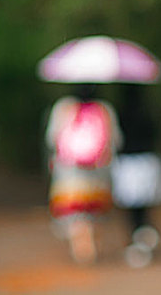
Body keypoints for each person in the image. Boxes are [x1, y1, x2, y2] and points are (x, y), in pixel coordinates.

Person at [45, 84, 122, 264]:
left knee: (74, 211)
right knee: (95, 209)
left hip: (69, 171)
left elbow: (52, 139)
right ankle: (92, 242)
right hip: (98, 170)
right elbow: (116, 140)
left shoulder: (62, 108)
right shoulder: (105, 109)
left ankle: (81, 247)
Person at [111, 84, 161, 268]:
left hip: (127, 166)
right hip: (148, 164)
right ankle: (144, 240)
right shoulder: (149, 114)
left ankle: (137, 244)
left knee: (132, 210)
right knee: (145, 209)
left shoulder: (119, 115)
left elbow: (116, 140)